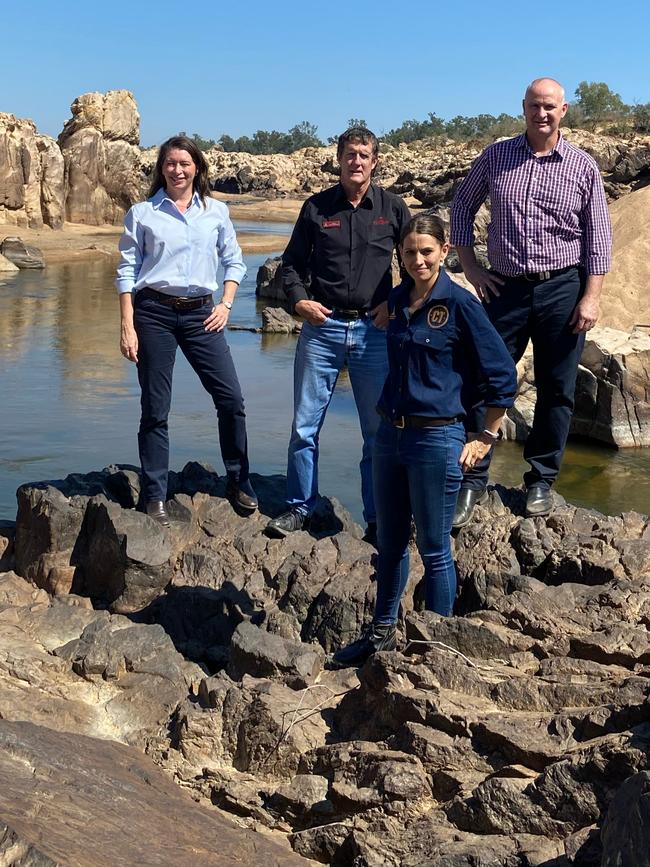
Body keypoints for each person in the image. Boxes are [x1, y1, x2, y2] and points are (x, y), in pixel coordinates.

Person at [333, 214, 516, 666]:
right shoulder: (397, 300)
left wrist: (486, 437)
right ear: (401, 254)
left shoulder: (460, 303)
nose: (419, 260)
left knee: (435, 549)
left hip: (437, 440)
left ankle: (436, 648)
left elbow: (502, 374)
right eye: (411, 252)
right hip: (389, 438)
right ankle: (381, 635)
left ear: (445, 249)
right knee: (390, 544)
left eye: (427, 251)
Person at [450, 77, 612, 526]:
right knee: (485, 380)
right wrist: (471, 266)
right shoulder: (497, 156)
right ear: (524, 108)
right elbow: (461, 206)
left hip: (563, 287)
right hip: (504, 288)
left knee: (557, 388)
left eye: (550, 107)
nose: (542, 114)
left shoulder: (582, 167)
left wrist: (591, 297)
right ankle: (472, 479)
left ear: (564, 111)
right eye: (535, 106)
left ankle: (540, 480)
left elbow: (599, 237)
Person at [265, 126, 411, 543]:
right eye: (350, 154)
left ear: (375, 161)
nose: (357, 161)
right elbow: (291, 264)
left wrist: (394, 303)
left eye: (364, 154)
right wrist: (299, 302)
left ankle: (379, 519)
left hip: (374, 333)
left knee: (377, 433)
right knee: (304, 427)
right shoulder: (315, 208)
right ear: (339, 159)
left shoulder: (393, 209)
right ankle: (299, 508)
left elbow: (418, 263)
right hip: (321, 330)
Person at [116, 135, 256, 526]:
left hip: (202, 315)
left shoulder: (216, 211)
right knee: (156, 408)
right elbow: (127, 270)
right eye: (170, 163)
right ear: (161, 168)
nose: (177, 170)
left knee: (231, 398)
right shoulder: (143, 213)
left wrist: (226, 304)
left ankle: (239, 479)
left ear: (198, 168)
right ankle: (155, 495)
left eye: (185, 163)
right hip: (153, 313)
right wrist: (127, 324)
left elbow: (235, 262)